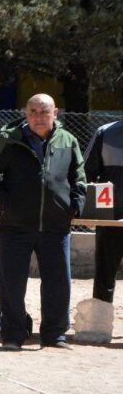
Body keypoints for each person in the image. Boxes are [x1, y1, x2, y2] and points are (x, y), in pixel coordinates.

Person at [0, 94, 86, 350]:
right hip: (15, 226)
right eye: (33, 111)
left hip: (55, 227)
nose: (38, 117)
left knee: (59, 282)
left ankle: (54, 335)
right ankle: (14, 335)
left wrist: (73, 208)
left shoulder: (68, 141)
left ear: (55, 113)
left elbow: (78, 177)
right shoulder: (9, 140)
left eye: (44, 112)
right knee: (12, 283)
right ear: (26, 113)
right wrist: (6, 204)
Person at [84, 120, 123, 303]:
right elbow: (85, 175)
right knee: (105, 277)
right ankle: (100, 324)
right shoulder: (105, 133)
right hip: (110, 219)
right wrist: (87, 211)